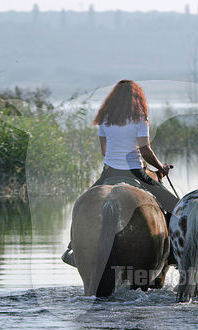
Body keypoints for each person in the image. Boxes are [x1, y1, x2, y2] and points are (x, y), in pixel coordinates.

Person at [62, 80, 178, 266]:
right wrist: (160, 167)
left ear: (113, 99)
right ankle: (174, 252)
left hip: (109, 173)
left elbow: (104, 151)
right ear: (137, 97)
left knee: (80, 207)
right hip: (135, 172)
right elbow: (146, 150)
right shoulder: (140, 118)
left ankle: (73, 249)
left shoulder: (105, 118)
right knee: (175, 205)